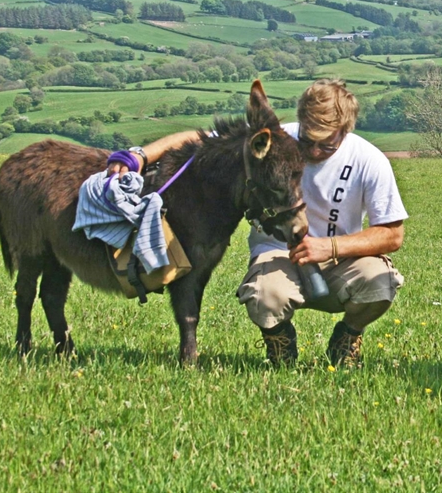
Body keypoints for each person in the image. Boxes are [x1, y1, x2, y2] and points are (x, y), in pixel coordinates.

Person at [109, 79, 407, 368]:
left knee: (380, 282)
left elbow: (392, 234)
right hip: (277, 254)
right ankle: (279, 339)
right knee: (264, 295)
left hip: (340, 257)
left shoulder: (369, 160)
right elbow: (197, 140)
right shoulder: (278, 139)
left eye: (326, 145)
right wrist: (138, 156)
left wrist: (329, 247)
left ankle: (348, 335)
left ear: (346, 129)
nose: (314, 151)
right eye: (308, 140)